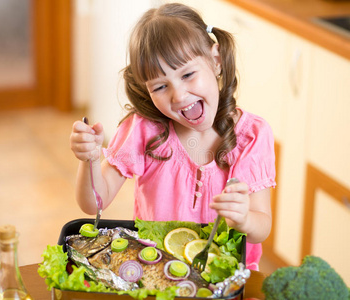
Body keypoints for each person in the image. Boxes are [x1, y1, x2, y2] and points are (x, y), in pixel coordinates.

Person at [70, 2, 276, 271]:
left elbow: (262, 228)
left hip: (225, 279)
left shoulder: (252, 136)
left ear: (215, 61)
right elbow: (93, 203)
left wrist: (245, 218)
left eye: (188, 74)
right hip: (156, 272)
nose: (178, 95)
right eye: (160, 86)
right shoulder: (143, 130)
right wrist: (90, 159)